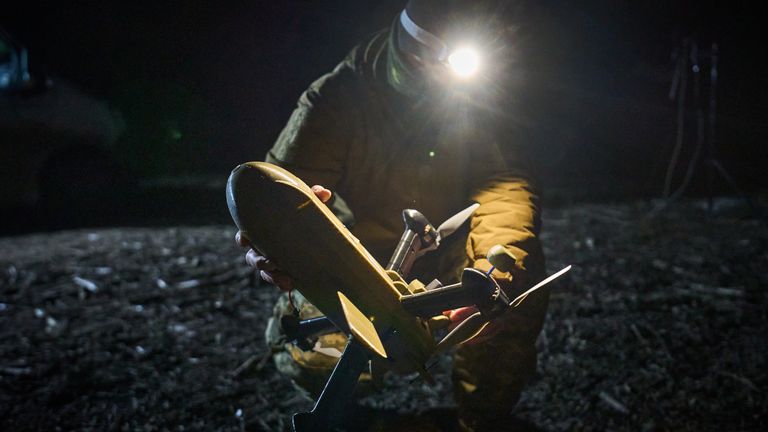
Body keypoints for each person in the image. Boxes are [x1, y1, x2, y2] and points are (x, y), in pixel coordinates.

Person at [236, 1, 549, 430]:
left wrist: (497, 270)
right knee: (317, 349)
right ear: (414, 52)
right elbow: (278, 191)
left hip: (454, 253)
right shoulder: (336, 98)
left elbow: (505, 183)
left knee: (509, 295)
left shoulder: (479, 98)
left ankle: (480, 421)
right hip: (358, 262)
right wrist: (268, 243)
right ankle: (348, 415)